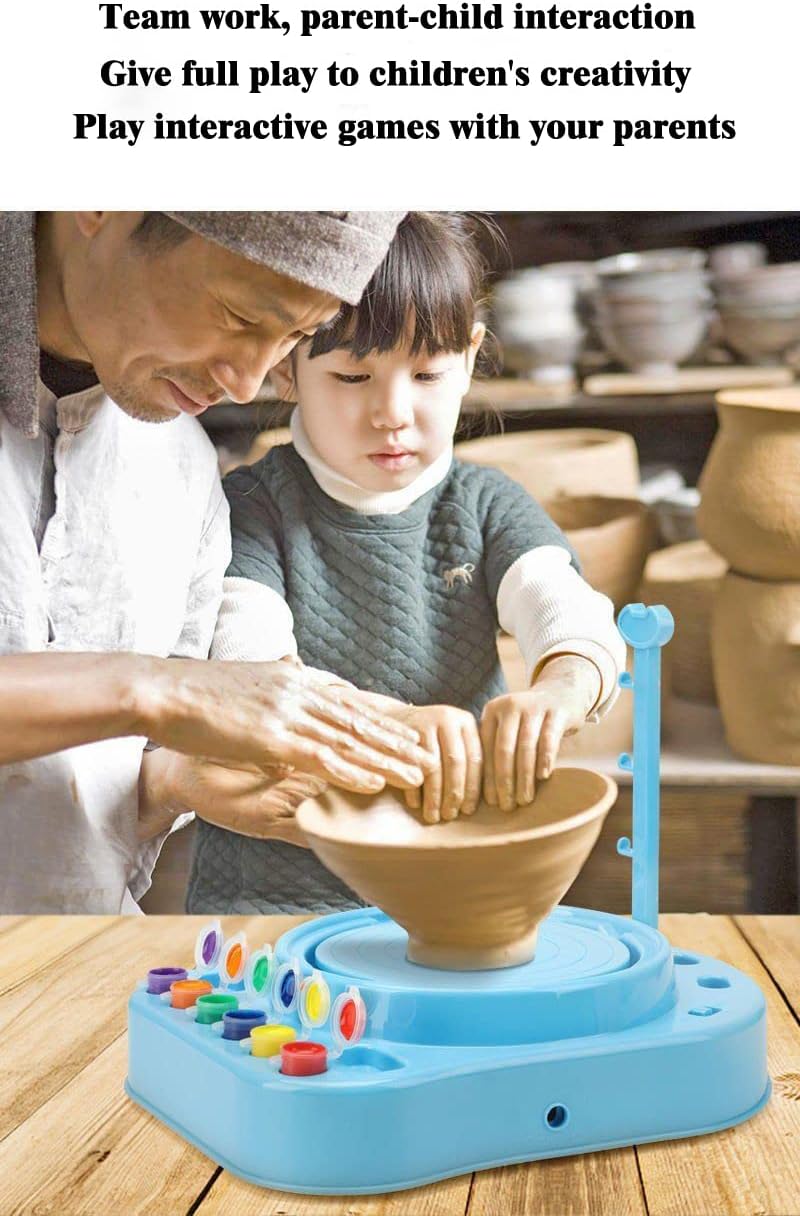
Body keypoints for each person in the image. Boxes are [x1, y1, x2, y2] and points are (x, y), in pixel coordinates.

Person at [185, 212, 626, 915]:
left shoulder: (485, 506)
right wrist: (387, 728)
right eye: (353, 376)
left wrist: (560, 692)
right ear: (288, 363)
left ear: (472, 355)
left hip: (452, 876)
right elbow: (252, 663)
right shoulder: (251, 507)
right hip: (276, 888)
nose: (392, 412)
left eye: (426, 374)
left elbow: (565, 610)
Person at [0, 209, 433, 914]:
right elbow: (151, 692)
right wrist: (161, 691)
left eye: (294, 335)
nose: (245, 383)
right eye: (237, 314)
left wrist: (170, 781)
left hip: (63, 981)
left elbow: (59, 829)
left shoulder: (180, 462)